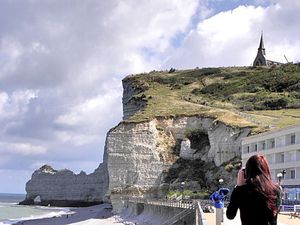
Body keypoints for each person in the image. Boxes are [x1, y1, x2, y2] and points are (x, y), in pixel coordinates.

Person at [226, 154, 281, 225]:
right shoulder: (276, 190)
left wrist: (238, 187)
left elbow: (230, 215)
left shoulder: (241, 190)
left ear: (247, 171)